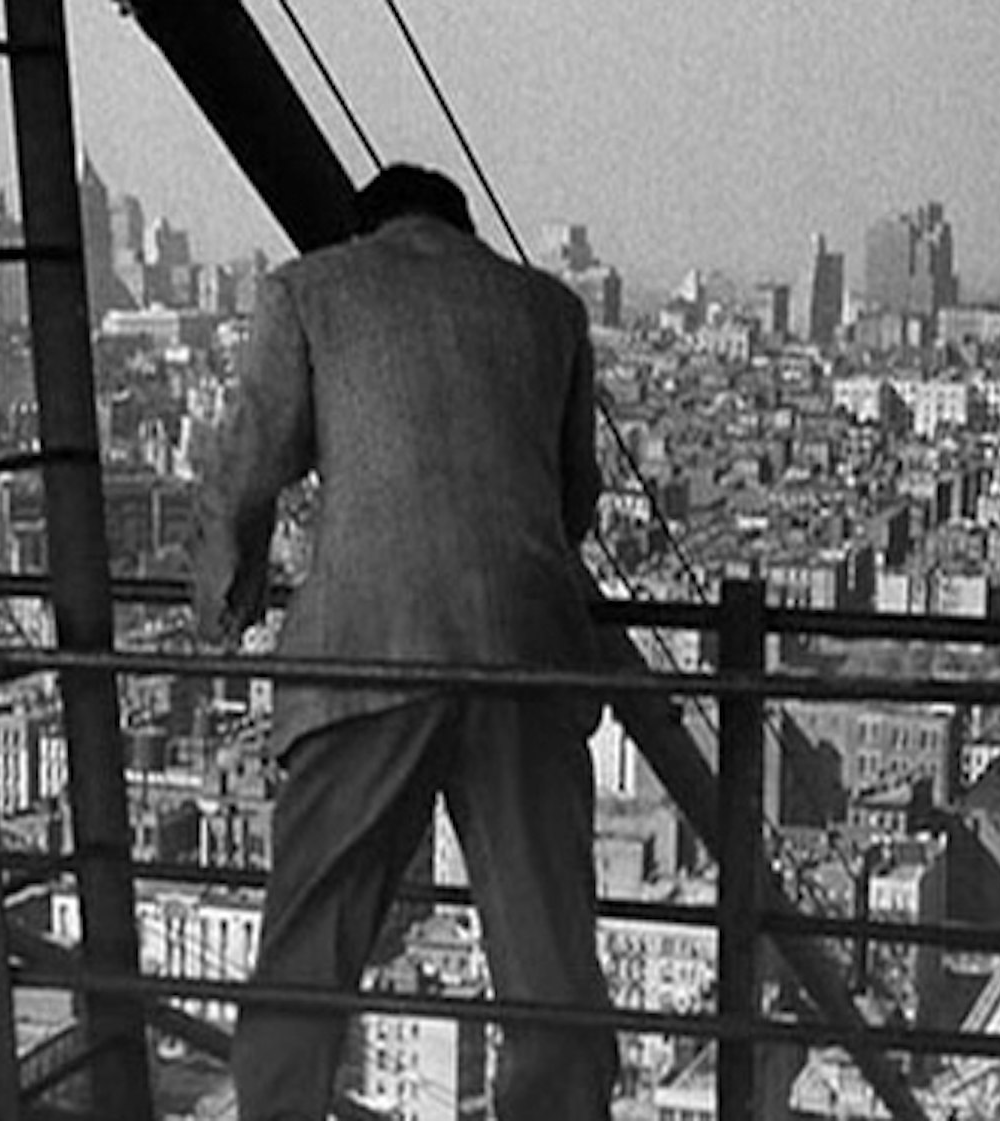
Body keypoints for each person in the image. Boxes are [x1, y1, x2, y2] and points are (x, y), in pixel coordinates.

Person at [194, 164, 617, 1120]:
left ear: (364, 231)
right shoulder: (549, 311)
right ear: (461, 228)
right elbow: (576, 501)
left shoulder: (309, 290)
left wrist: (226, 595)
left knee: (312, 946)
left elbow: (247, 465)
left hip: (367, 656)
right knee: (550, 963)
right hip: (525, 651)